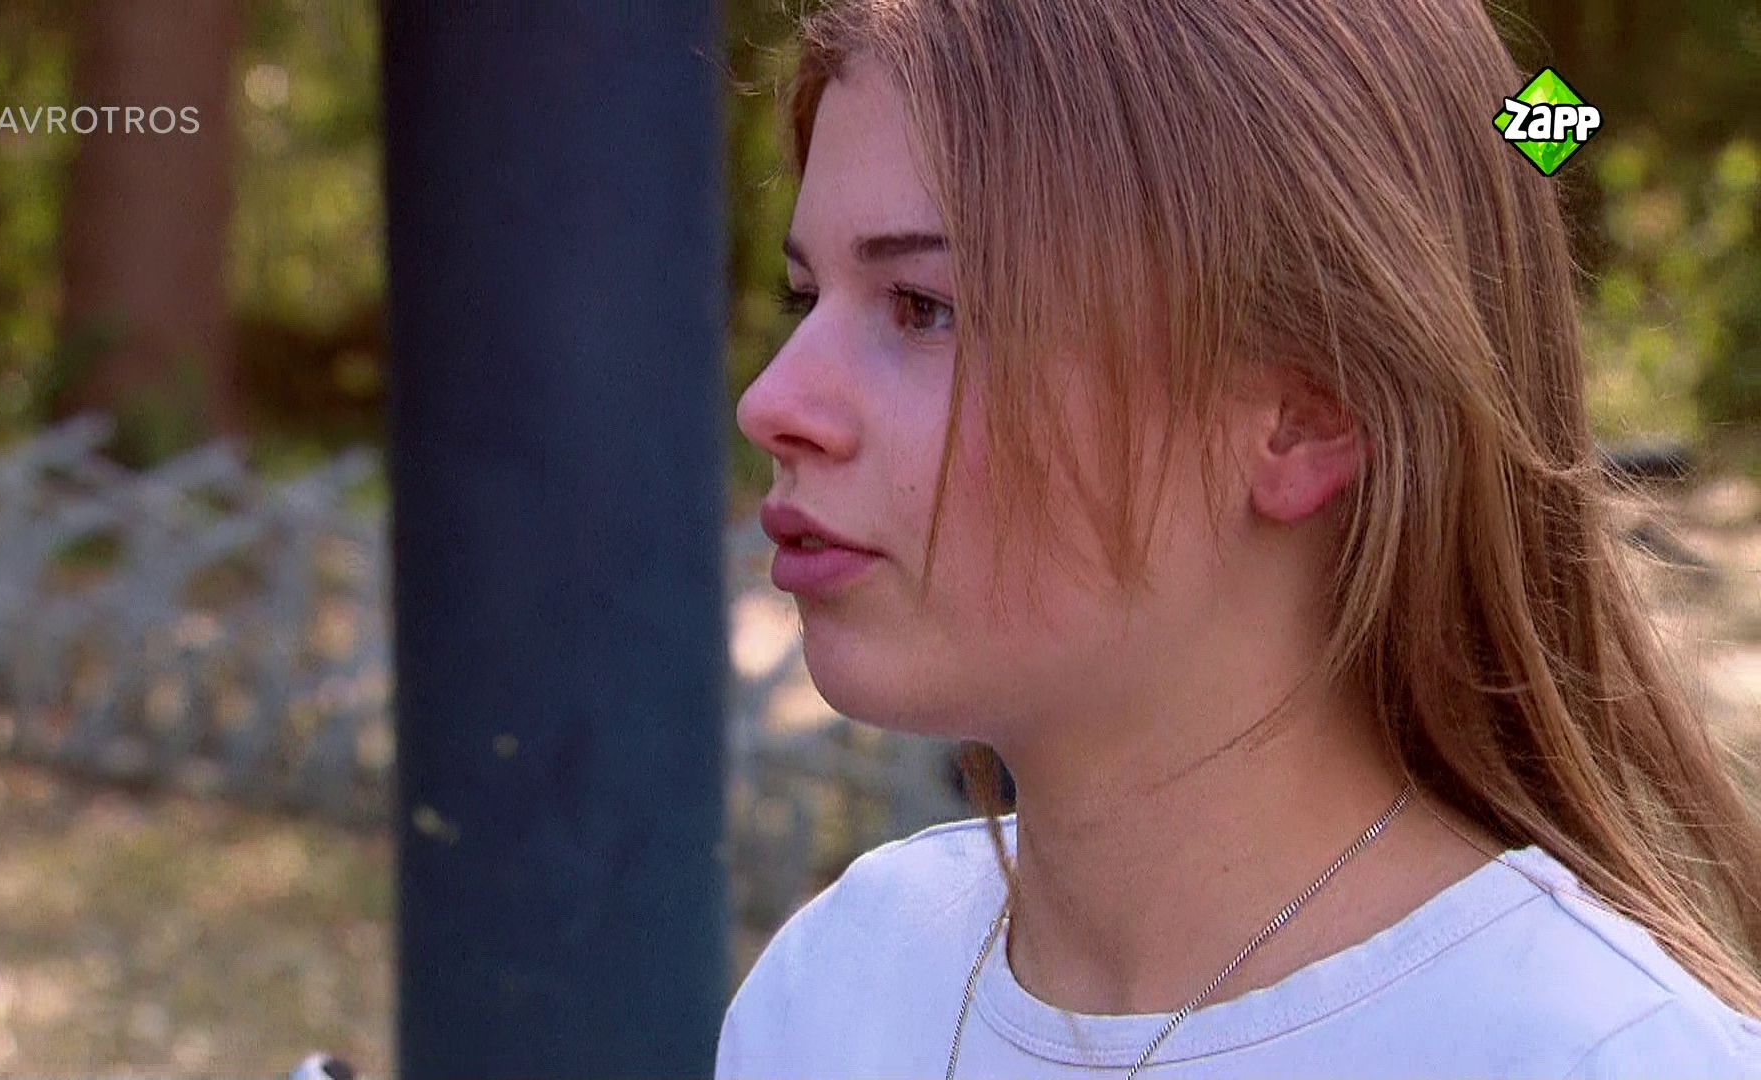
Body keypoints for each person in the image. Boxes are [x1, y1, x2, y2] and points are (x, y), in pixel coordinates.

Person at [715, 0, 1761, 1077]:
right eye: (806, 298)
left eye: (924, 307)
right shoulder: (832, 990)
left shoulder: (1605, 1056)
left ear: (1308, 415)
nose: (774, 402)